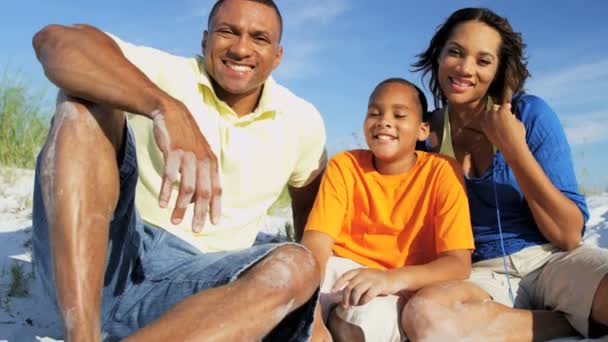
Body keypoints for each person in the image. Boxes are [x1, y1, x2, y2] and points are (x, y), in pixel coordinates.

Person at [31, 0, 328, 340]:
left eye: (259, 38)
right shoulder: (164, 73)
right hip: (103, 264)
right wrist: (163, 107)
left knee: (298, 265)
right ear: (205, 41)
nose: (241, 48)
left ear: (277, 55)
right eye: (227, 31)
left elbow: (312, 220)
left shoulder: (302, 121)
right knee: (82, 103)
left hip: (198, 296)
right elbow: (54, 41)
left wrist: (314, 308)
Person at [404, 7, 608, 341]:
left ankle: (509, 323)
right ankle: (565, 321)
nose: (465, 68)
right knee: (424, 316)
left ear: (498, 70)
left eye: (483, 61)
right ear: (438, 56)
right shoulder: (423, 134)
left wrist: (514, 148)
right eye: (455, 52)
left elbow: (569, 235)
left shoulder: (531, 115)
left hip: (552, 261)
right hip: (478, 275)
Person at [301, 78, 475, 342]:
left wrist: (391, 279)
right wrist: (309, 317)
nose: (384, 121)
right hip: (341, 273)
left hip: (399, 285)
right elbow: (317, 245)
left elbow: (458, 264)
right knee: (285, 293)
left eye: (399, 114)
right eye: (374, 113)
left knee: (355, 323)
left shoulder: (443, 171)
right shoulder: (345, 165)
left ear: (422, 130)